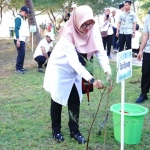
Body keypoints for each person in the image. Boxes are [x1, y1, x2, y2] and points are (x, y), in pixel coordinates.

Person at [43, 5, 112, 144]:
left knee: (75, 99)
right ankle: (56, 130)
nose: (87, 28)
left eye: (90, 23)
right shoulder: (67, 34)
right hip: (61, 69)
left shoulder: (93, 30)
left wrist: (108, 72)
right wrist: (92, 80)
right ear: (76, 21)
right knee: (57, 100)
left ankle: (74, 131)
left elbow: (100, 51)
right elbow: (73, 62)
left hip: (78, 70)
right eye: (84, 24)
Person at [135, 14, 150, 103]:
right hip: (148, 50)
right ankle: (144, 94)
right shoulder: (148, 17)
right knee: (146, 72)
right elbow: (145, 35)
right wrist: (141, 50)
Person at [14, 6, 30, 74]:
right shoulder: (18, 18)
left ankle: (21, 67)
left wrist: (24, 40)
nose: (27, 14)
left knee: (22, 54)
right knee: (21, 54)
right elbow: (16, 29)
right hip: (19, 39)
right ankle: (18, 69)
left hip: (22, 39)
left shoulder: (22, 19)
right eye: (26, 12)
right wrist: (18, 40)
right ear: (22, 11)